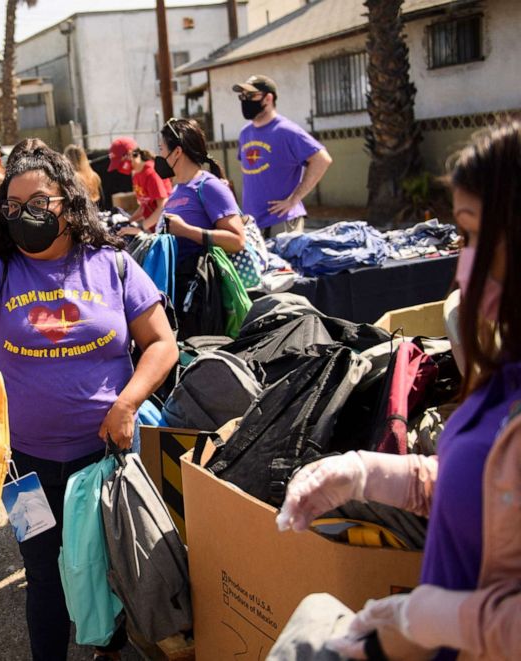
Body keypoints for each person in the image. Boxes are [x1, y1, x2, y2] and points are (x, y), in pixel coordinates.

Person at [0, 140, 178, 661]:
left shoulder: (113, 267)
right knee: (43, 573)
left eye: (37, 204)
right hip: (23, 468)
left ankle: (110, 651)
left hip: (107, 458)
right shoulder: (2, 272)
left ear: (68, 205)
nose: (22, 216)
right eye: (12, 208)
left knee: (112, 564)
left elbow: (163, 344)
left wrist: (127, 404)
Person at [275, 122, 521, 660]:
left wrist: (434, 619)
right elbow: (487, 490)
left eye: (476, 234)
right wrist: (366, 474)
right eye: (463, 238)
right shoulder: (505, 371)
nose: (464, 261)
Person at [156, 117, 246, 322]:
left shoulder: (209, 186)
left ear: (177, 152)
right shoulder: (177, 188)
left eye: (162, 149)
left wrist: (186, 230)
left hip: (200, 299)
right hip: (177, 289)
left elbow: (237, 240)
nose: (159, 155)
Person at [232, 74, 333, 236]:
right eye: (243, 96)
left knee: (284, 262)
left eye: (251, 95)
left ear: (268, 98)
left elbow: (322, 159)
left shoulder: (286, 130)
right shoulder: (245, 133)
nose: (245, 100)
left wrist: (294, 199)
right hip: (253, 223)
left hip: (281, 221)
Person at [128, 147, 172, 232]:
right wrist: (128, 221)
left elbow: (162, 207)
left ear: (133, 156)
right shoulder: (137, 175)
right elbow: (144, 205)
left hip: (167, 228)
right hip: (155, 228)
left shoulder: (152, 173)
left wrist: (140, 228)